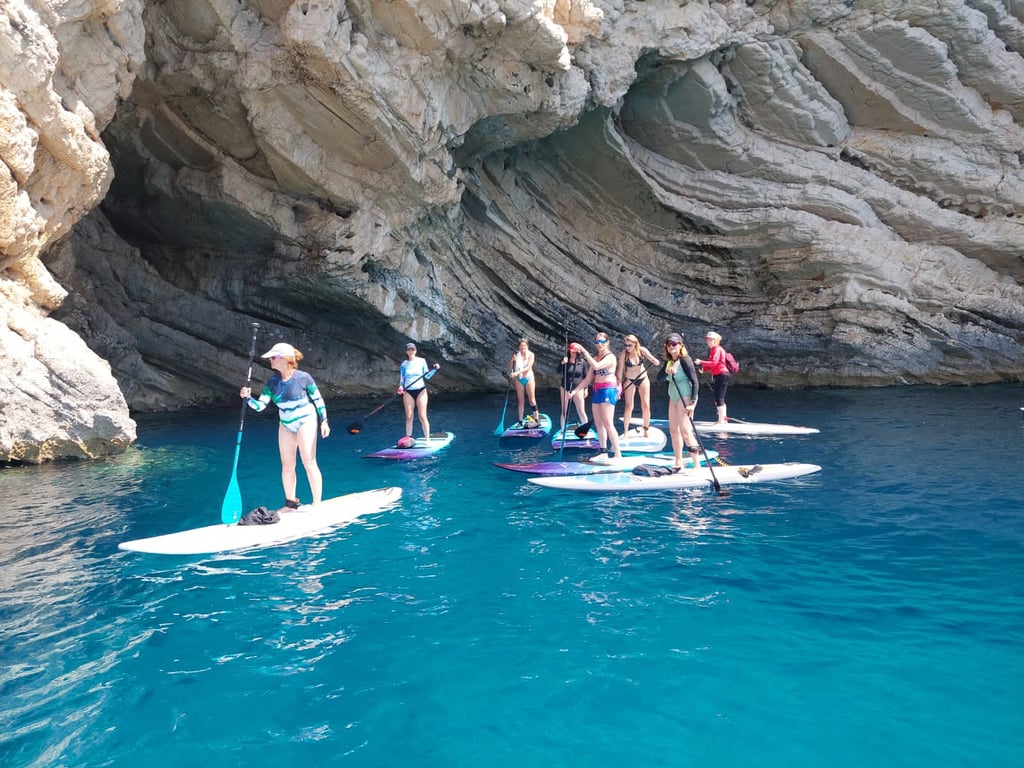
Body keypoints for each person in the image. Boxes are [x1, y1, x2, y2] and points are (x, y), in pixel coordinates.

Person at [240, 342, 330, 508]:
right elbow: (260, 407)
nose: (271, 360)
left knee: (308, 461)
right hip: (286, 424)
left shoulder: (303, 377)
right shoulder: (272, 383)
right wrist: (248, 397)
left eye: (274, 357)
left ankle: (317, 504)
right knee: (287, 465)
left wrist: (324, 421)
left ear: (285, 359)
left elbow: (318, 400)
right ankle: (290, 504)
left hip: (306, 420)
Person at [569, 333, 621, 459]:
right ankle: (603, 452)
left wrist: (583, 350)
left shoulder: (611, 357)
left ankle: (618, 454)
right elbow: (587, 380)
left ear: (608, 342)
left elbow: (597, 366)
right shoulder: (596, 358)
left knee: (608, 423)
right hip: (597, 391)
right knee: (598, 423)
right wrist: (575, 391)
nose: (600, 344)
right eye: (597, 342)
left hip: (608, 390)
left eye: (602, 341)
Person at [663, 333, 701, 471]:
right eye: (669, 344)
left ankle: (696, 465)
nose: (671, 346)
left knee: (685, 431)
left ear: (680, 345)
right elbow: (661, 377)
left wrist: (692, 402)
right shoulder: (669, 360)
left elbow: (695, 382)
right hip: (672, 396)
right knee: (673, 430)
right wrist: (667, 370)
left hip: (684, 395)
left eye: (674, 344)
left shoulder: (685, 360)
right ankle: (678, 462)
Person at [617, 334, 660, 438]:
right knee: (629, 407)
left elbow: (656, 361)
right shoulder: (624, 354)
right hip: (629, 380)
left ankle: (646, 429)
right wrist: (618, 387)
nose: (627, 347)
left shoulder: (642, 350)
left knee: (645, 405)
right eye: (626, 345)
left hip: (643, 378)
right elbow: (619, 371)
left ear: (635, 344)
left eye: (629, 345)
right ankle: (626, 431)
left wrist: (655, 361)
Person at [398, 342, 440, 442]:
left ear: (415, 351)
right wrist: (400, 387)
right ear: (406, 351)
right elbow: (402, 378)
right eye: (409, 349)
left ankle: (427, 439)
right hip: (408, 391)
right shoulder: (404, 364)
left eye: (412, 349)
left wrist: (434, 369)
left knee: (422, 416)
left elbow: (427, 376)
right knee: (409, 416)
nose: (411, 351)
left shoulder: (422, 361)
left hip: (421, 390)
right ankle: (408, 439)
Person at [695, 330, 732, 425]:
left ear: (715, 341)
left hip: (722, 375)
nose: (708, 341)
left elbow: (715, 363)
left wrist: (701, 362)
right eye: (707, 340)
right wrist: (704, 369)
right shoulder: (714, 350)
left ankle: (721, 421)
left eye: (710, 340)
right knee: (718, 397)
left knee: (719, 397)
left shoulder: (716, 349)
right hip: (720, 375)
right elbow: (713, 364)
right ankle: (723, 419)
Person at [509, 338, 539, 427]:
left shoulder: (531, 355)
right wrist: (512, 360)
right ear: (519, 347)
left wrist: (516, 373)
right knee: (520, 401)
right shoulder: (516, 355)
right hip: (519, 380)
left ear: (527, 346)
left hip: (529, 378)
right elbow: (510, 367)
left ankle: (537, 420)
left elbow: (528, 368)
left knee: (532, 400)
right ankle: (520, 421)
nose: (523, 347)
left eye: (524, 345)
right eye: (521, 346)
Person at [558, 343, 589, 430]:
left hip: (578, 388)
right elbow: (558, 370)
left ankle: (585, 429)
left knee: (581, 410)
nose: (574, 354)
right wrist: (562, 363)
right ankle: (563, 429)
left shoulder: (582, 362)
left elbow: (585, 377)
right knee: (564, 410)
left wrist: (586, 389)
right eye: (572, 352)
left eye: (575, 352)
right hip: (565, 387)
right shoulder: (565, 361)